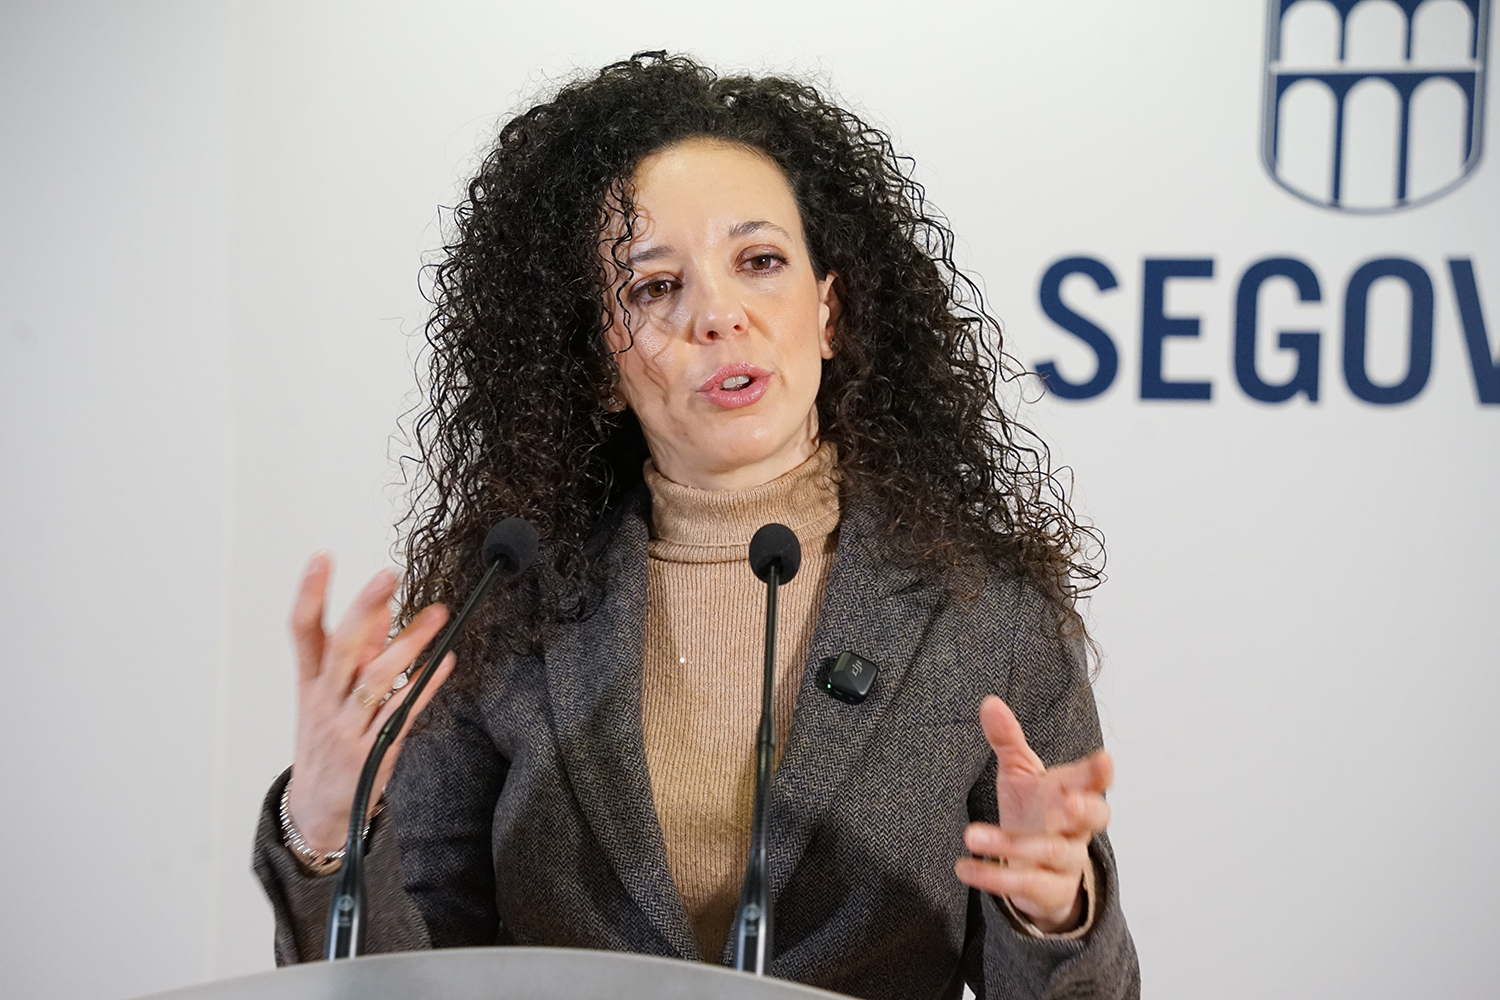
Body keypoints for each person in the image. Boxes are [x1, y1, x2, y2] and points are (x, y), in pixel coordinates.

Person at [253, 52, 1139, 999]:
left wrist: (1053, 911)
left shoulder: (988, 616)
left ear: (829, 313)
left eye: (759, 262)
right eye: (653, 287)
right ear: (598, 364)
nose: (718, 315)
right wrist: (327, 835)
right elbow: (407, 980)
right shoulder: (505, 607)